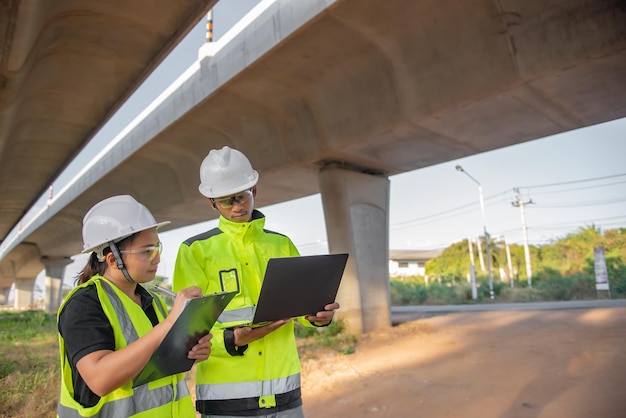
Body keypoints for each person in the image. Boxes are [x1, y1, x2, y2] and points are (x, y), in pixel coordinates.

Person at [172, 146, 340, 418]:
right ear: (212, 202)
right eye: (227, 201)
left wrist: (318, 317)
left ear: (255, 191)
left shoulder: (281, 244)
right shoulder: (195, 251)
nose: (237, 206)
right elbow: (185, 329)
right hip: (227, 399)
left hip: (284, 392)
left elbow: (301, 307)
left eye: (242, 196)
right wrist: (231, 340)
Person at [56, 195, 211, 417]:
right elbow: (99, 379)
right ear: (112, 259)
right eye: (147, 251)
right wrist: (169, 324)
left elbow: (153, 363)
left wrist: (190, 352)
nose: (157, 258)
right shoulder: (85, 304)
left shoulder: (152, 300)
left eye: (158, 247)